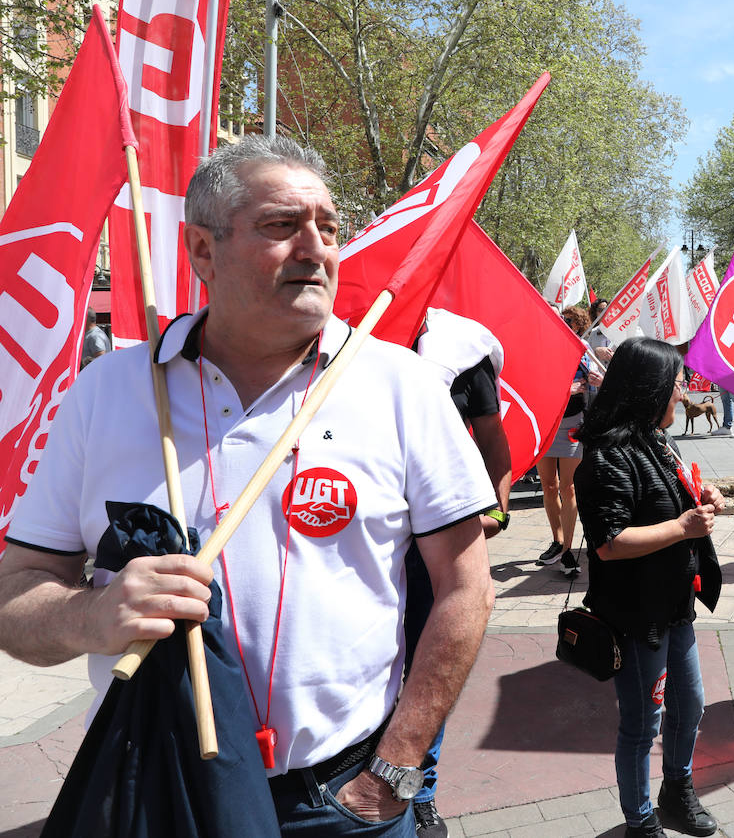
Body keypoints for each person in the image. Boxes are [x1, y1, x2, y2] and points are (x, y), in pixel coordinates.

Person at [0, 135, 497, 836]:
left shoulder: (400, 384)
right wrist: (92, 616)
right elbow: (16, 589)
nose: (316, 247)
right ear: (202, 250)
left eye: (328, 227)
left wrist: (397, 766)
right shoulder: (104, 393)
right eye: (281, 226)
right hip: (158, 790)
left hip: (343, 803)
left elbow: (468, 586)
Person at [574, 337, 724, 838]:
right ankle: (640, 821)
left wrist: (701, 494)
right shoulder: (605, 456)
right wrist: (684, 527)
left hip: (675, 605)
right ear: (650, 389)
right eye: (677, 386)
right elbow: (610, 542)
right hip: (636, 618)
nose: (682, 396)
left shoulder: (659, 440)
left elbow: (671, 493)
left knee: (692, 706)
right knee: (643, 725)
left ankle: (676, 790)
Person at [409, 308, 515, 837]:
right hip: (365, 536)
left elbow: (493, 437)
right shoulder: (351, 335)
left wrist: (496, 510)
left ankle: (419, 790)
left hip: (442, 539)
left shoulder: (460, 348)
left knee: (431, 661)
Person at [535, 305, 594, 577]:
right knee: (549, 485)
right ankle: (557, 541)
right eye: (560, 319)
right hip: (546, 421)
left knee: (568, 488)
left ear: (578, 325)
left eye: (567, 320)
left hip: (572, 423)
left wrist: (594, 378)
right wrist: (561, 389)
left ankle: (568, 551)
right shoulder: (542, 346)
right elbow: (532, 382)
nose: (562, 323)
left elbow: (595, 382)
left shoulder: (582, 349)